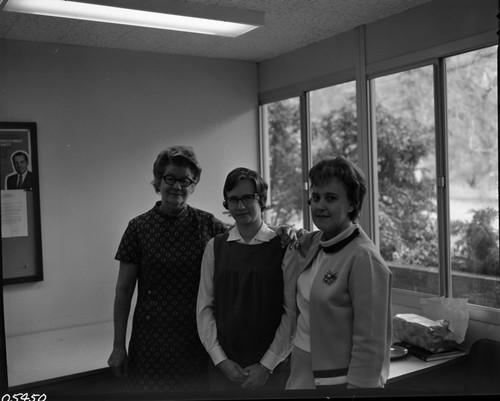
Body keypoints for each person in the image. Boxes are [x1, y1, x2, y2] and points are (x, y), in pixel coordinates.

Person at [107, 146, 229, 393]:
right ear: (158, 181)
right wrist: (119, 347)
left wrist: (281, 231)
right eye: (170, 178)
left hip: (194, 341)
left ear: (193, 185)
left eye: (185, 180)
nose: (177, 186)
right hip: (150, 343)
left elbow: (246, 231)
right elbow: (123, 292)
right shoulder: (138, 228)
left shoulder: (208, 224)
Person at [285, 156, 392, 390]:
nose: (320, 205)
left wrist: (360, 390)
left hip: (338, 381)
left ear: (353, 204)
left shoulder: (365, 259)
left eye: (331, 198)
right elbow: (290, 235)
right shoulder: (316, 242)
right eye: (316, 197)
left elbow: (371, 341)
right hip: (300, 371)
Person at [196, 167, 299, 391]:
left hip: (272, 368)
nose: (240, 206)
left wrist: (266, 365)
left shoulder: (283, 246)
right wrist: (220, 359)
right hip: (224, 368)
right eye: (233, 200)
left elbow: (292, 313)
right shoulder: (215, 247)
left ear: (261, 199)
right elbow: (204, 307)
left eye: (247, 198)